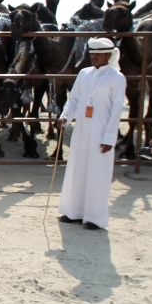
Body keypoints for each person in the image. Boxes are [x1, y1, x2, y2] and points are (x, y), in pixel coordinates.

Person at [57, 37, 126, 230]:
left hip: (101, 133)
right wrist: (65, 116)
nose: (93, 57)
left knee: (97, 173)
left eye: (97, 54)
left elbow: (116, 111)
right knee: (77, 170)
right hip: (82, 131)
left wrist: (109, 138)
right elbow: (74, 100)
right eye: (91, 54)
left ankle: (94, 218)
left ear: (108, 55)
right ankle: (73, 212)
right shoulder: (84, 73)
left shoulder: (117, 78)